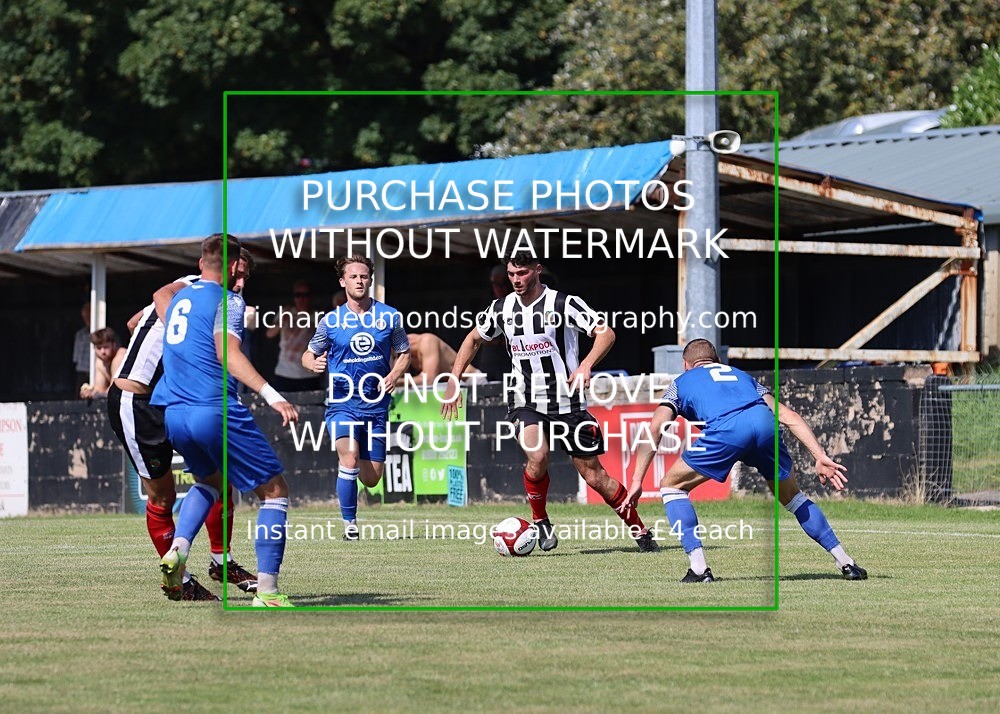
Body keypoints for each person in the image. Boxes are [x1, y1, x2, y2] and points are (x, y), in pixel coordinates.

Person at [440, 252, 659, 552]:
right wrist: (454, 378)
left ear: (537, 270)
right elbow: (473, 339)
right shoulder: (501, 308)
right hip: (525, 399)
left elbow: (606, 333)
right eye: (511, 274)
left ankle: (640, 532)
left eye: (522, 273)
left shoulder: (564, 303)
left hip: (568, 402)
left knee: (595, 476)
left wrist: (585, 365)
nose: (516, 280)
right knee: (538, 455)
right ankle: (541, 521)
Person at [626, 338, 868, 582]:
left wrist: (637, 480)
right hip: (765, 425)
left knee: (672, 486)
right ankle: (846, 562)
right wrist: (820, 455)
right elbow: (788, 415)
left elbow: (656, 427)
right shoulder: (742, 376)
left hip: (727, 429)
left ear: (685, 365)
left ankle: (699, 569)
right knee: (793, 497)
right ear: (718, 360)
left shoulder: (681, 382)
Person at [151, 234, 300, 607]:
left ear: (201, 263)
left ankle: (178, 550)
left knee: (211, 482)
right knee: (275, 492)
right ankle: (268, 592)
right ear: (233, 266)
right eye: (241, 272)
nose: (242, 280)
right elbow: (227, 353)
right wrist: (272, 394)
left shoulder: (180, 298)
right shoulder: (228, 301)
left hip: (174, 414)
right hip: (212, 409)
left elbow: (158, 299)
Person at [106, 250, 259, 601]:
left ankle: (222, 562)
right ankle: (180, 580)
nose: (239, 282)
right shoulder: (191, 288)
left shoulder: (221, 301)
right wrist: (180, 337)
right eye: (235, 273)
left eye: (244, 277)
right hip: (135, 404)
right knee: (163, 496)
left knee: (220, 476)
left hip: (173, 400)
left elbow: (133, 322)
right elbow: (161, 295)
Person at [302, 255, 410, 541]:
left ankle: (352, 472)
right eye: (353, 277)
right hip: (342, 403)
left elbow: (404, 353)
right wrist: (312, 363)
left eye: (363, 276)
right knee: (349, 458)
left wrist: (394, 375)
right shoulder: (331, 321)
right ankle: (350, 524)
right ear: (343, 282)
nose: (359, 281)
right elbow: (308, 354)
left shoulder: (390, 316)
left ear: (370, 280)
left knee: (372, 478)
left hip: (375, 406)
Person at [265, 279, 323, 392]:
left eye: (305, 295)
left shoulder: (319, 316)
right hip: (284, 373)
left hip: (309, 374)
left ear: (311, 297)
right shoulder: (286, 312)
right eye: (298, 295)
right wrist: (282, 320)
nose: (301, 299)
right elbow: (269, 334)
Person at [397, 333, 481, 387]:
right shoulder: (407, 355)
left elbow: (429, 379)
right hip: (452, 385)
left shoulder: (427, 341)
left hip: (471, 381)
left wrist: (399, 382)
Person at [80, 328, 126, 399]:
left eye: (106, 347)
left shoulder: (120, 356)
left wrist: (96, 394)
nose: (102, 352)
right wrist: (89, 393)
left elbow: (115, 390)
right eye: (99, 348)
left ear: (114, 345)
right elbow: (100, 390)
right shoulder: (100, 362)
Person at [73, 303, 91, 392]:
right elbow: (76, 358)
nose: (87, 318)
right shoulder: (80, 334)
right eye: (85, 316)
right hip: (82, 372)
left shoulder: (105, 335)